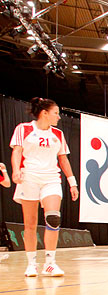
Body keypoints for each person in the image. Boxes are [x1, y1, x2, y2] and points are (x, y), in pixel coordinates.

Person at [10, 97, 79, 277]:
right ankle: (31, 263)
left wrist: (73, 183)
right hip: (29, 177)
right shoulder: (23, 129)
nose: (58, 117)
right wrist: (16, 170)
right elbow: (17, 151)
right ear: (44, 113)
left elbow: (63, 159)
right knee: (30, 224)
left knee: (53, 218)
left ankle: (50, 263)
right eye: (56, 113)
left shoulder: (58, 135)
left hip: (51, 179)